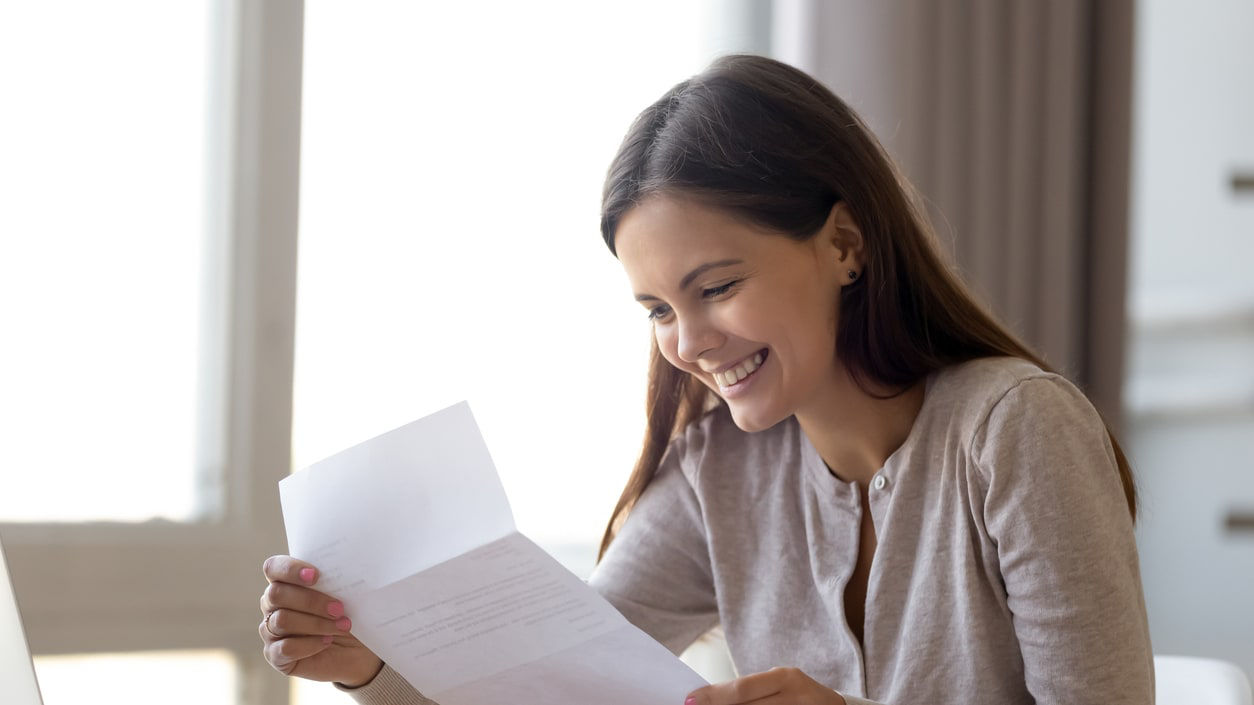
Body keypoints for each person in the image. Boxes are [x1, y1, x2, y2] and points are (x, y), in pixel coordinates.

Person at [258, 54, 1154, 705]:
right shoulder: (719, 470)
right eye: (656, 309)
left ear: (844, 244)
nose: (688, 343)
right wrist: (363, 667)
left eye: (717, 287)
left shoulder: (1014, 430)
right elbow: (550, 687)